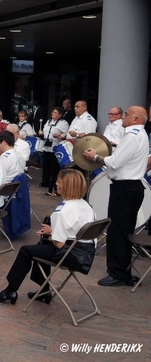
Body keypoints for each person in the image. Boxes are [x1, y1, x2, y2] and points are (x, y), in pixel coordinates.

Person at [0, 169, 95, 305]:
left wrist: (52, 233)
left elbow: (59, 244)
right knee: (42, 246)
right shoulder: (86, 205)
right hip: (86, 252)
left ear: (66, 186)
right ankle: (44, 291)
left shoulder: (63, 211)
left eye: (59, 182)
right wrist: (52, 231)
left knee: (26, 250)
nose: (56, 184)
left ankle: (10, 290)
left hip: (72, 256)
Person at [82, 105, 148, 286]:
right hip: (132, 188)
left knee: (117, 231)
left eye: (127, 114)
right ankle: (123, 271)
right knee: (125, 231)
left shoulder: (133, 136)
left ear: (136, 119)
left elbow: (116, 161)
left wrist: (96, 157)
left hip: (125, 188)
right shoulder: (139, 135)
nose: (123, 117)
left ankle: (117, 273)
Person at [38, 107, 69, 196]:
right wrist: (42, 133)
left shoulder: (63, 123)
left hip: (55, 148)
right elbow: (45, 131)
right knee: (46, 167)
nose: (53, 114)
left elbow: (66, 134)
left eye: (55, 112)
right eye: (53, 112)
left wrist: (60, 136)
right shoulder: (48, 121)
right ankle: (45, 183)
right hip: (47, 147)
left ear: (60, 115)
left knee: (55, 169)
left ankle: (55, 187)